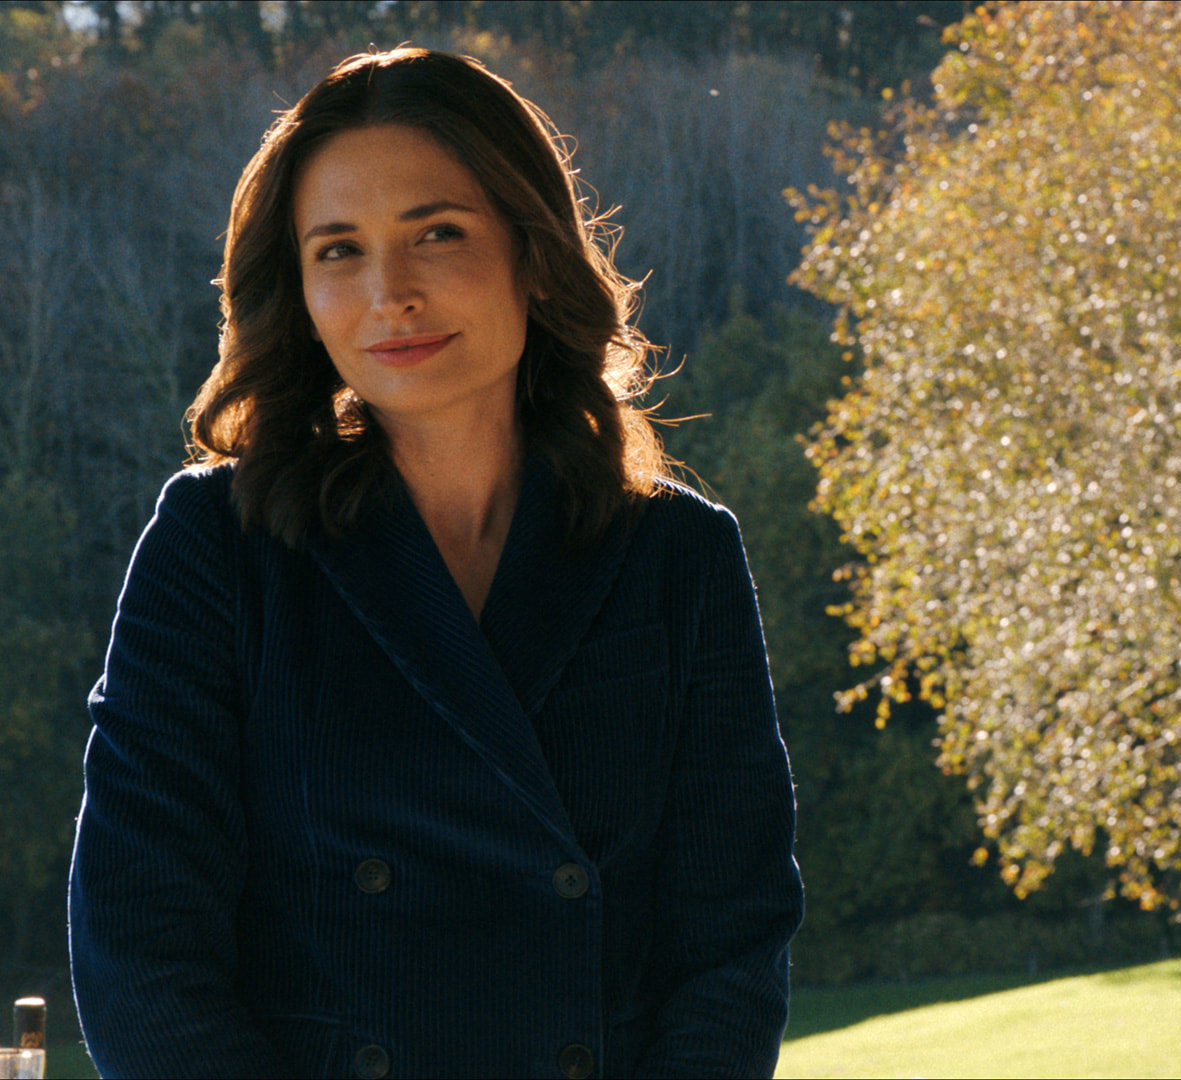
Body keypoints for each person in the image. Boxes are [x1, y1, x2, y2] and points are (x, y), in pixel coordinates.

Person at [67, 47, 802, 1079]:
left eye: (438, 234)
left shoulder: (680, 557)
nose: (388, 293)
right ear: (301, 290)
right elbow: (140, 953)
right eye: (338, 251)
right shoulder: (215, 549)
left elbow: (733, 942)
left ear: (534, 254)